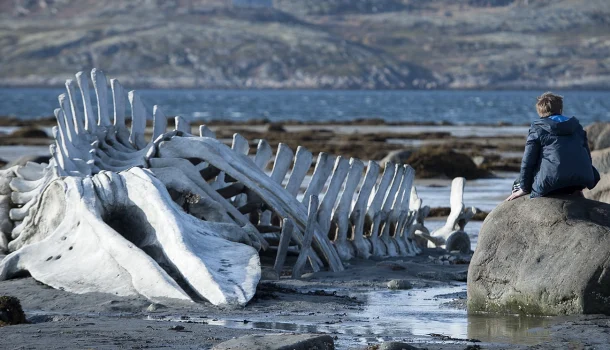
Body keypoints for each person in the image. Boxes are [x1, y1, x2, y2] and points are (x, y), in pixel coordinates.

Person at [506, 92, 600, 201]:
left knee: (518, 183)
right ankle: (576, 191)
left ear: (540, 111)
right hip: (581, 181)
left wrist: (524, 188)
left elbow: (528, 161)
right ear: (560, 109)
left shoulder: (538, 128)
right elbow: (587, 157)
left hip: (552, 184)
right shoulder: (577, 127)